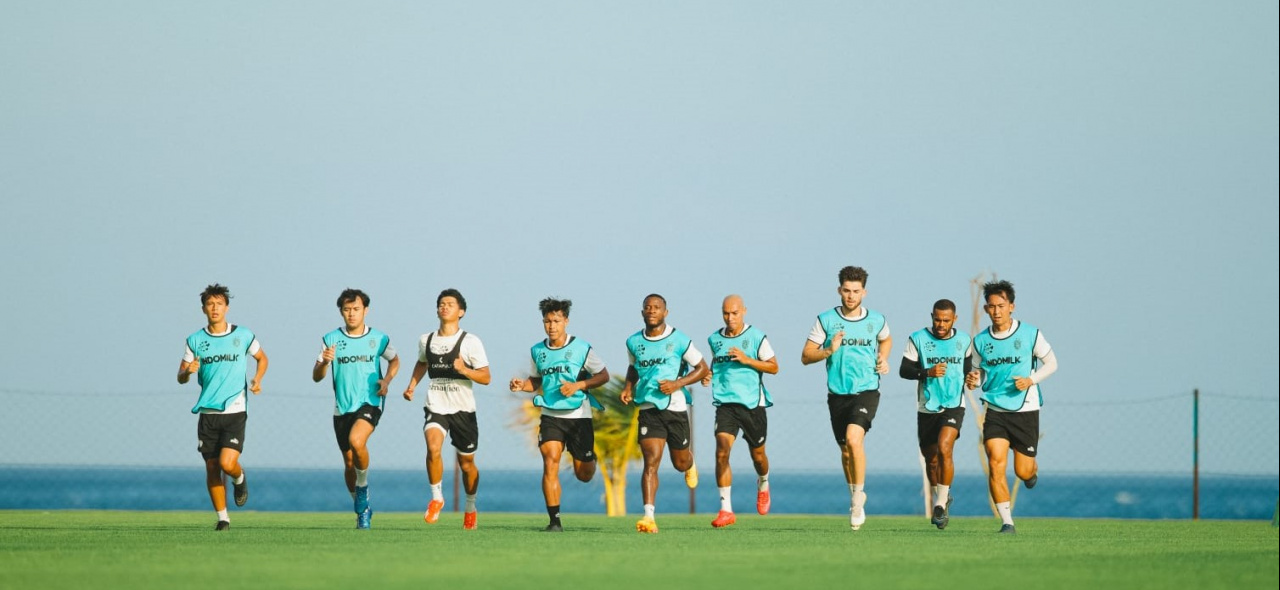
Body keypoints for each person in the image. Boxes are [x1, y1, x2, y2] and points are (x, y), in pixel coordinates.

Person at [800, 266, 891, 531]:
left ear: (864, 291)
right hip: (837, 394)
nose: (851, 296)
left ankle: (857, 501)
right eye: (846, 291)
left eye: (856, 291)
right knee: (845, 450)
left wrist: (883, 359)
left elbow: (886, 339)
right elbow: (806, 356)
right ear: (839, 290)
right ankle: (855, 493)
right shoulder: (826, 320)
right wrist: (829, 349)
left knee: (854, 438)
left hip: (866, 390)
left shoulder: (876, 320)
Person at [509, 298, 610, 532]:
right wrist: (520, 385)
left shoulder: (582, 348)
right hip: (550, 415)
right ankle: (554, 521)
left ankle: (588, 457)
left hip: (579, 416)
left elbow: (603, 376)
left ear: (566, 321)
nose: (551, 326)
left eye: (556, 321)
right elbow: (535, 381)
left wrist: (578, 385)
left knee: (584, 474)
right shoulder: (538, 351)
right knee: (550, 461)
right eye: (547, 321)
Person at [965, 280, 1058, 534]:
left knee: (1022, 470)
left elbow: (1052, 364)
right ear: (986, 309)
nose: (996, 311)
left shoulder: (1030, 334)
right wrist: (974, 379)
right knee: (995, 462)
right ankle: (1007, 522)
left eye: (1001, 306)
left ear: (1012, 307)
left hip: (1025, 410)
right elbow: (977, 372)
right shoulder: (981, 341)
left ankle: (1031, 472)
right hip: (995, 410)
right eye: (992, 307)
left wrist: (1031, 380)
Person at [176, 284, 269, 531]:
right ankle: (223, 518)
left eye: (219, 304)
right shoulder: (195, 340)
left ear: (226, 307)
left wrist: (258, 379)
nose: (215, 308)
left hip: (235, 410)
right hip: (207, 413)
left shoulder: (243, 335)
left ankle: (239, 478)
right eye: (210, 304)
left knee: (228, 464)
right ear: (203, 308)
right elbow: (180, 376)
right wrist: (188, 371)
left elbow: (262, 358)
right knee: (212, 467)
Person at [619, 294, 708, 534]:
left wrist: (677, 384)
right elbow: (632, 367)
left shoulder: (679, 340)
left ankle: (690, 463)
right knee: (651, 462)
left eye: (657, 307)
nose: (652, 311)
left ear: (665, 312)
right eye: (648, 307)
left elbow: (702, 368)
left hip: (676, 409)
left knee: (679, 463)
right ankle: (648, 517)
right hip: (648, 409)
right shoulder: (633, 342)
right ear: (642, 312)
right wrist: (628, 387)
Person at [403, 289, 491, 530]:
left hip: (463, 409)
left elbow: (486, 377)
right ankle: (436, 498)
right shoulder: (426, 339)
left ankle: (471, 507)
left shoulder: (471, 341)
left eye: (450, 304)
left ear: (461, 312)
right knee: (433, 447)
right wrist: (411, 386)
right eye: (441, 304)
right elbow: (422, 362)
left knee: (467, 465)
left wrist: (465, 370)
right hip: (436, 404)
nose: (444, 307)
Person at [312, 288, 399, 530]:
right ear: (341, 312)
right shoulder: (331, 339)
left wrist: (387, 380)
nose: (352, 314)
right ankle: (363, 509)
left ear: (366, 311)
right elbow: (317, 376)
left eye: (356, 309)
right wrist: (325, 362)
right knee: (349, 463)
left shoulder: (378, 338)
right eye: (347, 310)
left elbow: (395, 359)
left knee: (357, 441)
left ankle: (362, 489)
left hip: (370, 401)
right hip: (342, 407)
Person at [701, 294, 778, 528]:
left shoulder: (756, 337)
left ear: (744, 311)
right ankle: (726, 509)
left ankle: (763, 482)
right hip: (726, 406)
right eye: (726, 313)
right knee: (721, 452)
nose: (730, 318)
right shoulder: (714, 339)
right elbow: (716, 363)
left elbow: (774, 366)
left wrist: (747, 360)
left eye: (734, 313)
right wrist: (709, 375)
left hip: (753, 405)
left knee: (758, 457)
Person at [899, 299, 973, 530]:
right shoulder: (918, 339)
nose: (941, 324)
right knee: (931, 460)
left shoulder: (963, 341)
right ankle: (941, 497)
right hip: (927, 407)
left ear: (955, 319)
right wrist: (926, 372)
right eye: (937, 319)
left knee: (945, 447)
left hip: (954, 405)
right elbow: (904, 370)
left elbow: (969, 371)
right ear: (932, 316)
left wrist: (973, 379)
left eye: (946, 320)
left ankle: (940, 503)